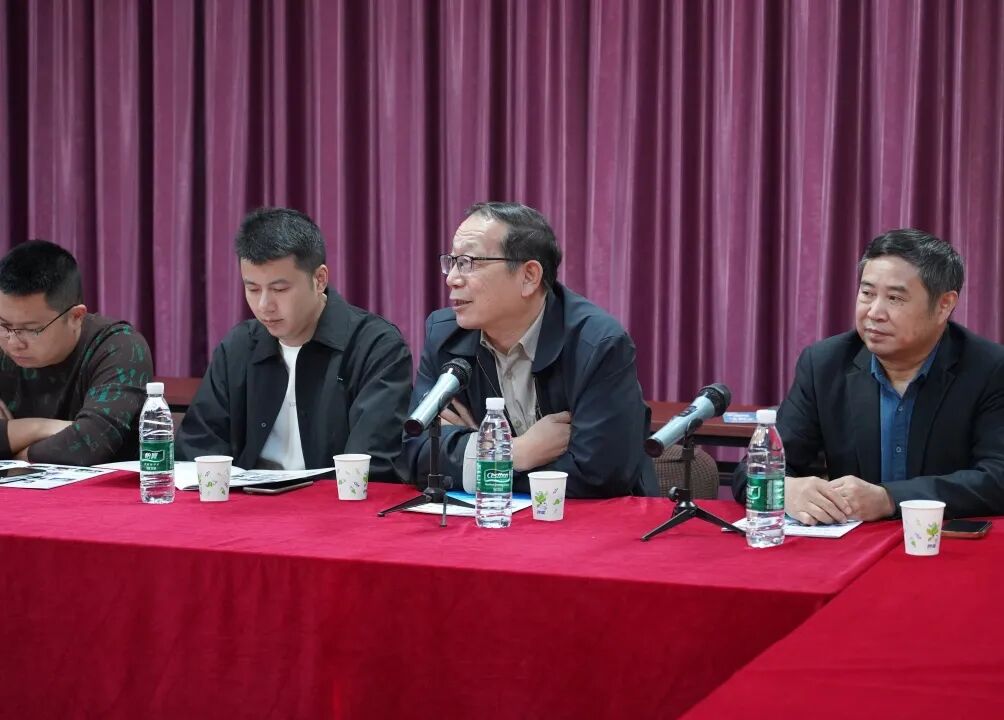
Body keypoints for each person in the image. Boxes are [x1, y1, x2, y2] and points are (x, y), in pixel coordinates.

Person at [733, 229, 1004, 522]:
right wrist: (787, 489)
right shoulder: (824, 364)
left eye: (895, 298)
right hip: (855, 542)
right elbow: (751, 471)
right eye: (867, 293)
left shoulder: (989, 368)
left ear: (944, 305)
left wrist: (889, 498)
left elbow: (997, 477)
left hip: (945, 540)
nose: (874, 312)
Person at [404, 201, 657, 498]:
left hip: (594, 519)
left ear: (529, 277)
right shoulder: (446, 336)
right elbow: (417, 455)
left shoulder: (597, 344)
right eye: (453, 261)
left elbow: (599, 475)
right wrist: (515, 452)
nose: (452, 279)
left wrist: (471, 452)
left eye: (469, 262)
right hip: (490, 516)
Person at [177, 207, 412, 480]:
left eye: (279, 289)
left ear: (319, 279)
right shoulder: (238, 348)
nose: (264, 305)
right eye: (252, 289)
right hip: (246, 501)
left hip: (331, 503)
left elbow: (372, 468)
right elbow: (198, 450)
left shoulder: (376, 348)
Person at [0, 240, 153, 464]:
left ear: (75, 317)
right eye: (3, 325)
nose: (13, 342)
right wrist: (40, 427)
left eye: (31, 330)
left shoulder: (118, 347)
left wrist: (11, 446)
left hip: (101, 486)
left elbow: (89, 444)